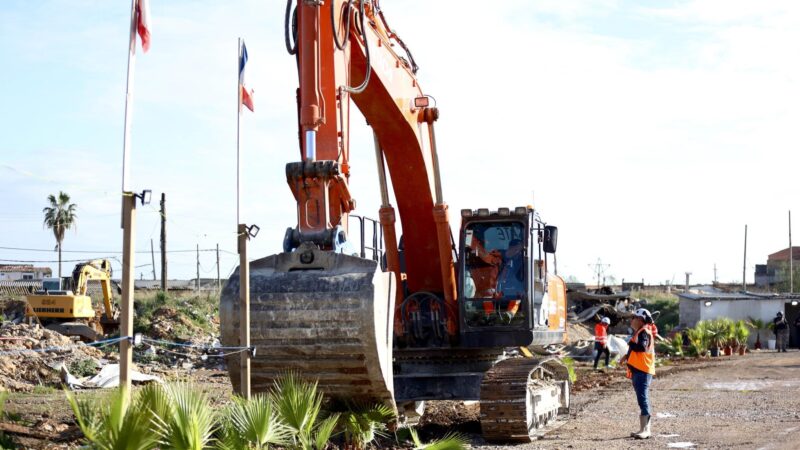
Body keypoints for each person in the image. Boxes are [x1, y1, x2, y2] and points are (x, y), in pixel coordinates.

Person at [619, 308, 655, 440]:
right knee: (641, 399)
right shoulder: (640, 331)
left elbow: (642, 347)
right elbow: (636, 349)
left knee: (643, 398)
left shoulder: (643, 332)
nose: (631, 320)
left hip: (642, 370)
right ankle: (643, 428)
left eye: (634, 317)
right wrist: (625, 356)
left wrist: (630, 343)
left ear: (640, 320)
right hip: (639, 370)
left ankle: (646, 430)